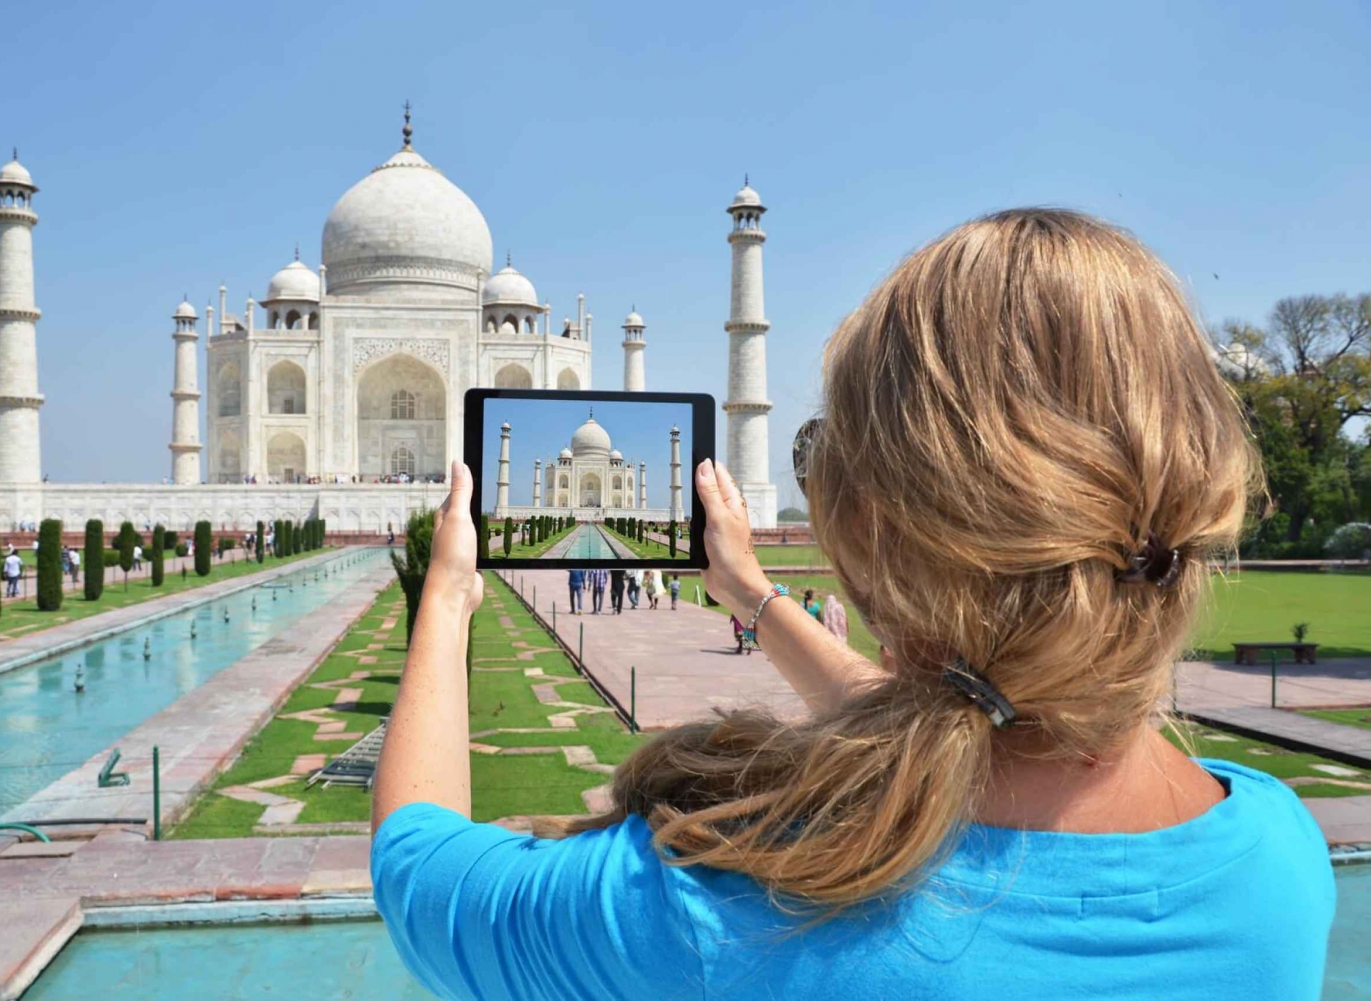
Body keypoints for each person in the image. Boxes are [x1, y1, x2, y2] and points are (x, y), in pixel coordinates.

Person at [368, 211, 1334, 998]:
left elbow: (419, 868)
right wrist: (749, 592)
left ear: (865, 534)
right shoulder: (1278, 856)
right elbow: (964, 719)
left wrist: (447, 595)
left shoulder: (719, 908)